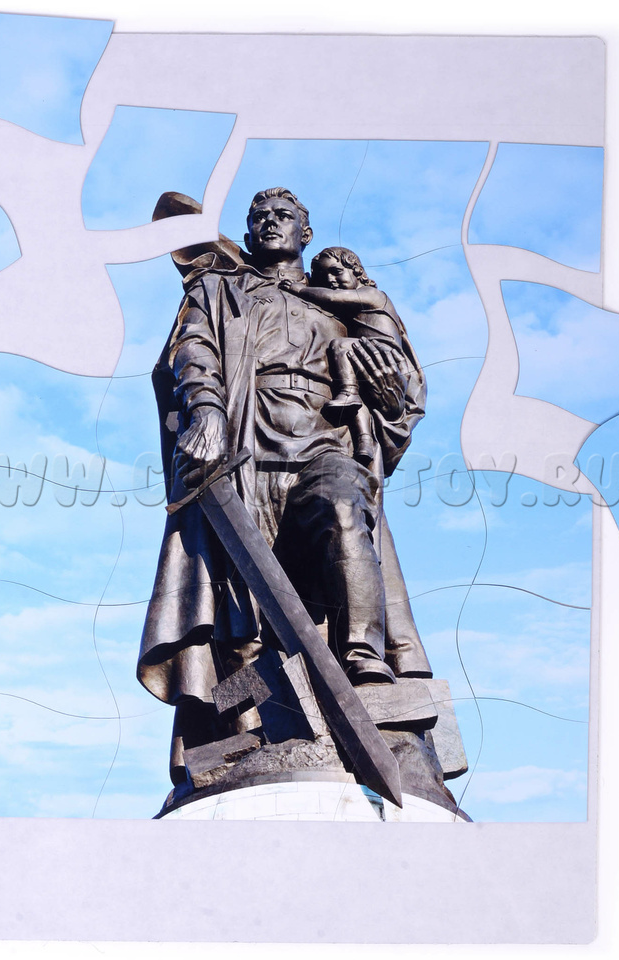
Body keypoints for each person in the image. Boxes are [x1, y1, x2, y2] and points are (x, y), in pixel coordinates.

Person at [138, 188, 432, 784]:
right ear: (247, 235)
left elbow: (401, 390)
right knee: (242, 613)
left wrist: (392, 393)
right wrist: (206, 410)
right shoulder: (219, 290)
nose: (271, 223)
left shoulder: (342, 306)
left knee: (344, 508)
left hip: (324, 445)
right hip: (245, 452)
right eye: (259, 218)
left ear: (306, 232)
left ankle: (364, 662)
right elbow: (193, 350)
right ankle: (246, 729)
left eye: (284, 216)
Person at [279, 246, 407, 465]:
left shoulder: (372, 294)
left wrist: (299, 289)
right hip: (366, 353)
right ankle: (364, 441)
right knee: (357, 403)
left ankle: (349, 391)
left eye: (337, 271)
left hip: (383, 353)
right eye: (324, 276)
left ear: (357, 271)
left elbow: (332, 298)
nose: (331, 280)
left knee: (340, 346)